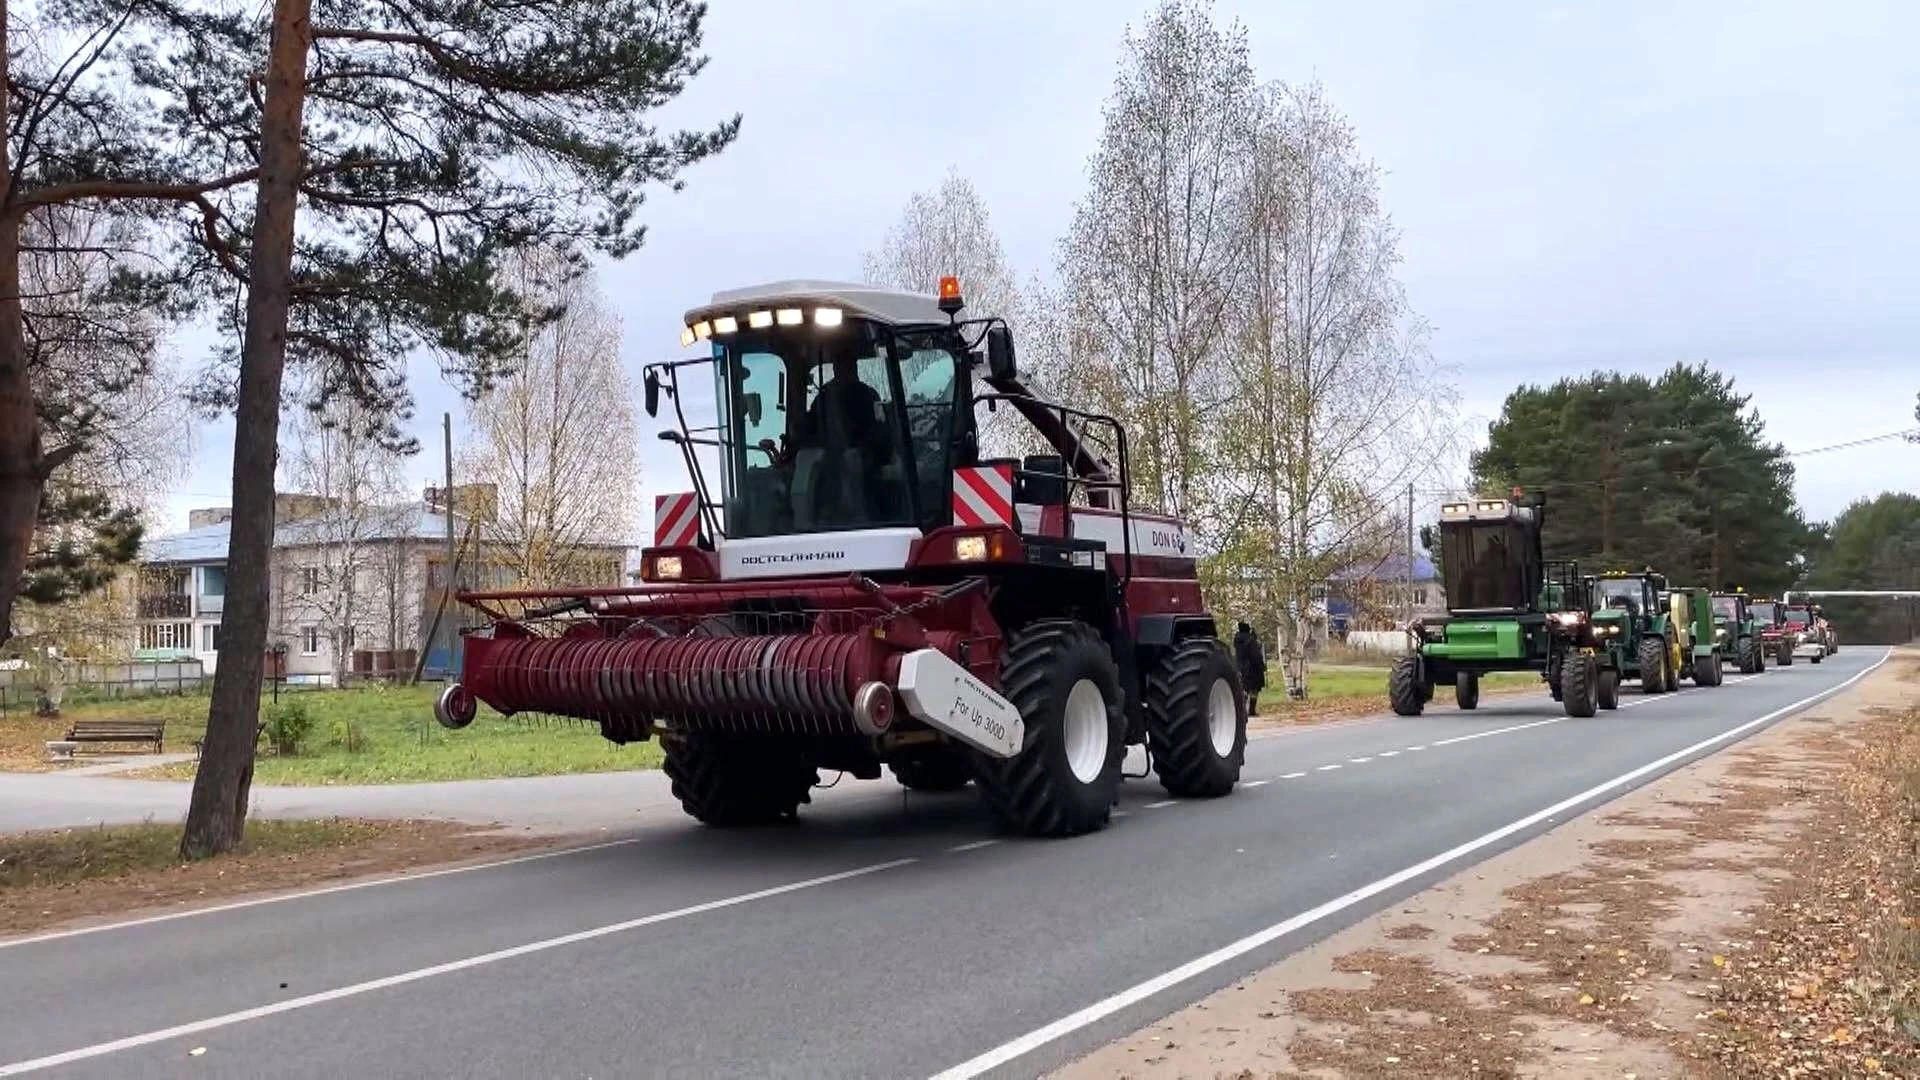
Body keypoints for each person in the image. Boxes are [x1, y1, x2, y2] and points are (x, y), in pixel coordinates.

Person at [1234, 621, 1266, 714]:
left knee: (1244, 689)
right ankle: (1251, 710)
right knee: (1254, 690)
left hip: (1240, 667)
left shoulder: (1237, 640)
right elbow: (1256, 655)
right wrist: (1261, 666)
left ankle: (1241, 711)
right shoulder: (1250, 640)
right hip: (1253, 669)